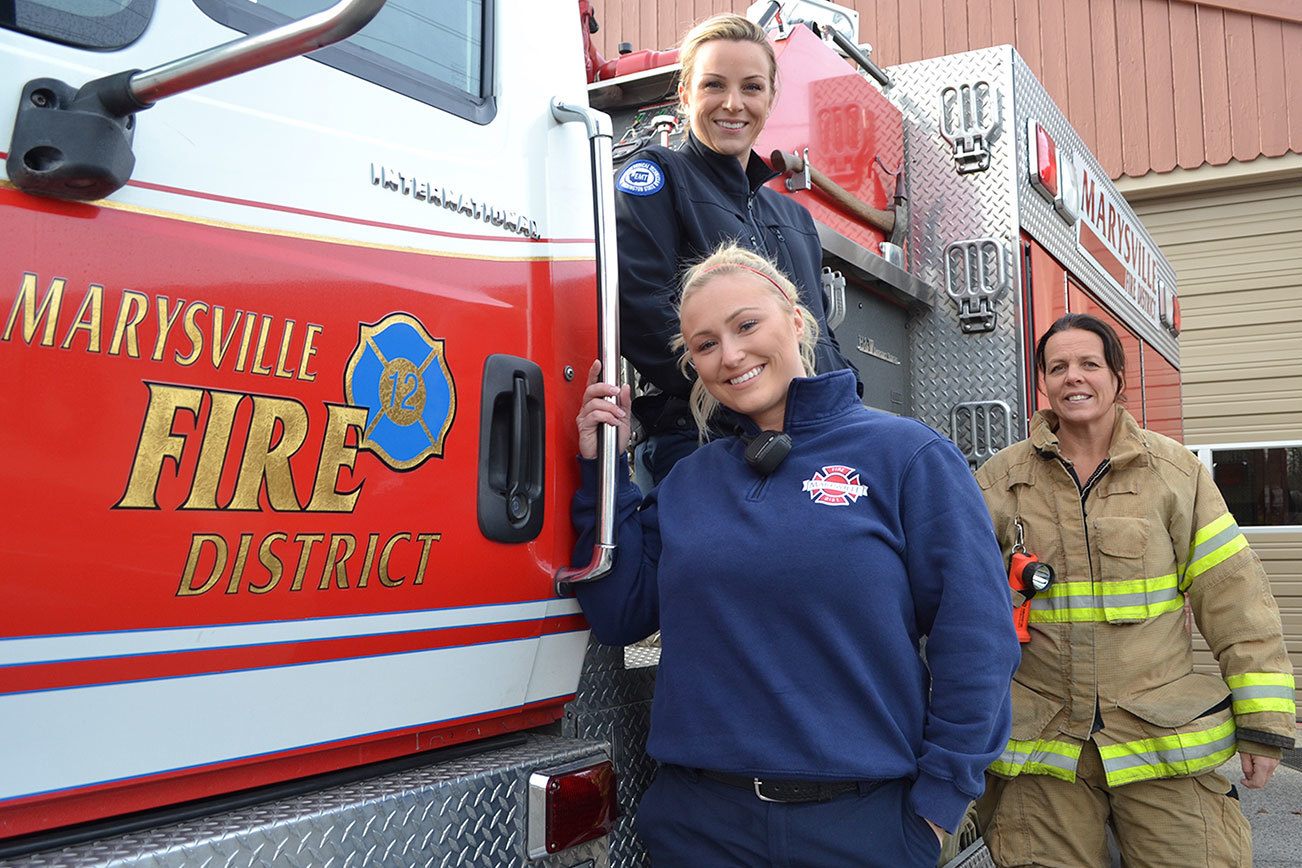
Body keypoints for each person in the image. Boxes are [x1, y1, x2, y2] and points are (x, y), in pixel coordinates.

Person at [571, 244, 1019, 866]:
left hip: (860, 826)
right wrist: (605, 470)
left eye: (746, 325)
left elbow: (977, 637)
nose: (731, 355)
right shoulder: (691, 481)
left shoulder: (907, 456)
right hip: (701, 827)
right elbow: (619, 612)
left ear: (798, 320)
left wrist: (938, 805)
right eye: (705, 344)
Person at [974, 313, 1296, 868]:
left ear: (1117, 378)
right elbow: (960, 611)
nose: (1074, 377)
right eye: (1058, 367)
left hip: (1161, 743)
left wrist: (1264, 725)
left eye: (1089, 364)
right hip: (1044, 753)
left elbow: (1236, 601)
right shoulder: (1000, 482)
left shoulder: (1174, 474)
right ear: (1043, 383)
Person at [614, 13, 856, 487]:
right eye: (713, 85)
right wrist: (749, 404)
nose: (733, 103)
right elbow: (643, 314)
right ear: (685, 94)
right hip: (707, 445)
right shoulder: (658, 178)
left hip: (810, 442)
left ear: (770, 98)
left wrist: (845, 401)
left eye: (751, 87)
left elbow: (818, 333)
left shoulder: (794, 217)